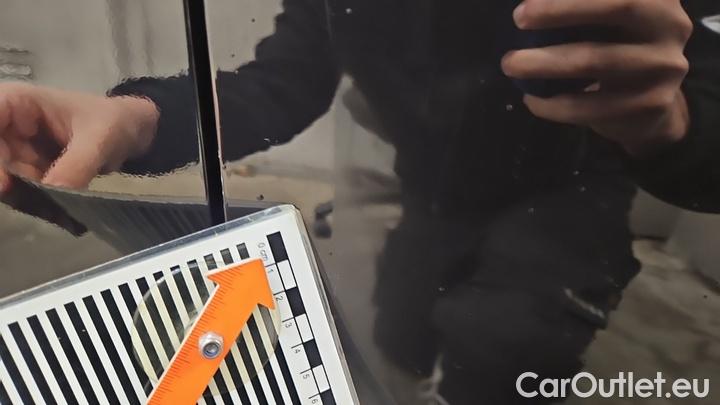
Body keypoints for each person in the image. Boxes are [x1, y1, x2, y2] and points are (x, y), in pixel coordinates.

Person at [1, 0, 719, 403]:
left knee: (503, 347)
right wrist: (136, 118)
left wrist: (672, 120)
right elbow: (278, 86)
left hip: (570, 193)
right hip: (430, 195)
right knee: (396, 343)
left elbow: (698, 89)